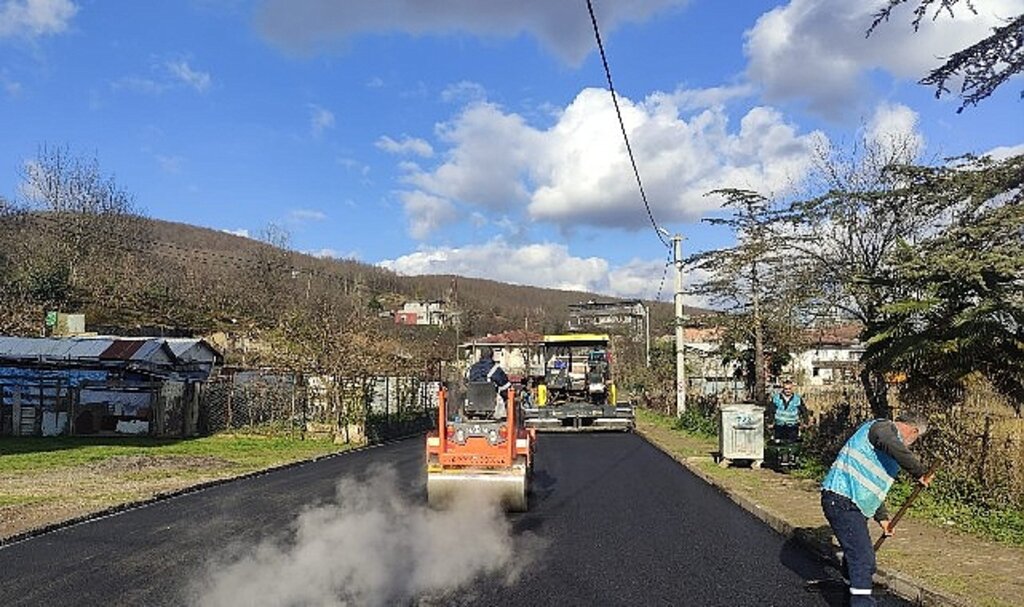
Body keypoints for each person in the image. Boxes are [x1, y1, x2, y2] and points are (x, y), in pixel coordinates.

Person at [820, 414, 933, 606]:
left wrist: (883, 519)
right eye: (916, 439)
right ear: (914, 431)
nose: (911, 444)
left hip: (851, 502)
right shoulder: (883, 428)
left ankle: (850, 595)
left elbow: (871, 486)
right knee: (862, 558)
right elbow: (890, 443)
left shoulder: (886, 445)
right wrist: (920, 471)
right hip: (841, 498)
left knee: (858, 556)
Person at [467, 347, 512, 418]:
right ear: (492, 355)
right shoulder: (496, 369)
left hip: (473, 406)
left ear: (480, 355)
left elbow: (466, 384)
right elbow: (506, 388)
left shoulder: (472, 369)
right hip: (492, 407)